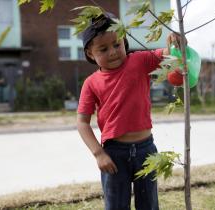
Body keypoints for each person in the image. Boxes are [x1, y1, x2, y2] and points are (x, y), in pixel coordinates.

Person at [77, 12, 183, 210]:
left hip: (146, 149)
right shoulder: (91, 83)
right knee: (116, 206)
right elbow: (82, 123)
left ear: (124, 39)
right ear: (91, 54)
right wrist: (98, 153)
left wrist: (177, 41)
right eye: (103, 49)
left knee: (149, 205)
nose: (113, 52)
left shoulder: (140, 61)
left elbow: (169, 53)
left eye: (117, 44)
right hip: (113, 153)